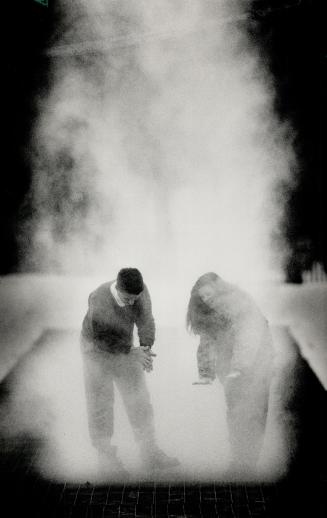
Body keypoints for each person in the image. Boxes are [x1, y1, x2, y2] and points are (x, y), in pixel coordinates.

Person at [81, 267, 179, 478]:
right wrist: (131, 351)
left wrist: (145, 348)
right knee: (101, 403)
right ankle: (106, 458)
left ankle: (149, 451)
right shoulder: (99, 298)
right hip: (96, 351)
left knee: (139, 398)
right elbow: (100, 337)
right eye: (128, 299)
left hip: (126, 349)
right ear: (118, 288)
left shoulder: (140, 292)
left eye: (136, 298)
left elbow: (146, 320)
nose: (133, 303)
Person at [186, 272, 274, 477]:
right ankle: (238, 460)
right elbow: (206, 342)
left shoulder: (240, 303)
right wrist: (206, 373)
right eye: (203, 298)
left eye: (210, 295)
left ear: (220, 289)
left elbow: (249, 335)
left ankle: (249, 463)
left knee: (255, 410)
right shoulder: (209, 312)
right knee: (235, 411)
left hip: (257, 361)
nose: (207, 301)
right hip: (232, 366)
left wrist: (240, 368)